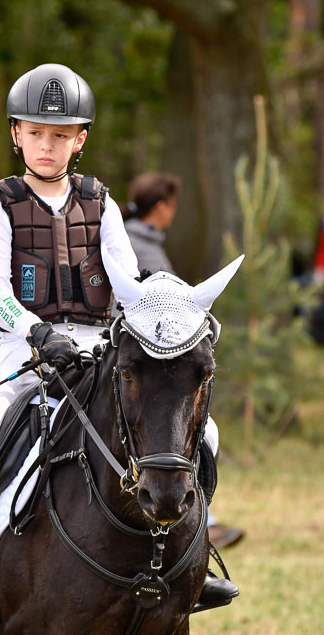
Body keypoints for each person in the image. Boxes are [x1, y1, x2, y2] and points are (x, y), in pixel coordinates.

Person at [0, 64, 238, 610]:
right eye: (36, 133)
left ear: (79, 140)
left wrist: (162, 315)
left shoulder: (101, 202)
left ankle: (192, 550)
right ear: (16, 134)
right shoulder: (1, 205)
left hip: (98, 345)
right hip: (25, 345)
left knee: (202, 436)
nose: (47, 146)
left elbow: (126, 279)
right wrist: (36, 331)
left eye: (60, 135)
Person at [122, 171, 244, 550]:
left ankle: (199, 528)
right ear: (161, 207)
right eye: (172, 206)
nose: (173, 214)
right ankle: (200, 531)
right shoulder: (142, 246)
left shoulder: (143, 239)